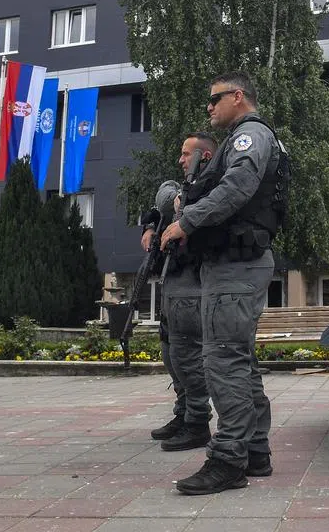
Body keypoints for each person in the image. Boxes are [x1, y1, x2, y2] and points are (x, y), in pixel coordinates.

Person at [161, 70, 290, 495]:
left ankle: (228, 459)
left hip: (237, 266)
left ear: (238, 96)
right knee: (238, 361)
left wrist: (186, 221)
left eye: (215, 99)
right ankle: (254, 450)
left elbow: (237, 188)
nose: (209, 107)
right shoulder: (241, 138)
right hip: (234, 264)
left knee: (223, 361)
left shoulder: (249, 135)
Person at [146, 132, 219, 451]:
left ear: (203, 157)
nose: (180, 159)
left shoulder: (216, 188)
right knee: (171, 355)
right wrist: (151, 226)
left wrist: (185, 207)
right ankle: (184, 413)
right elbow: (162, 196)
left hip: (194, 286)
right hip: (173, 285)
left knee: (187, 357)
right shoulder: (183, 191)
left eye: (185, 154)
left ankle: (197, 422)